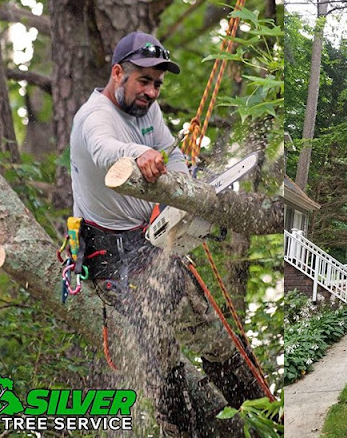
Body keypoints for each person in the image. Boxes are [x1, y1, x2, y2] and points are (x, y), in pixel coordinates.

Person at [69, 31, 262, 431]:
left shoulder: (145, 110)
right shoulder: (95, 116)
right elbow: (106, 151)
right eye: (144, 80)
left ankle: (257, 413)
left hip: (151, 241)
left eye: (157, 84)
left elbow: (171, 152)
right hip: (112, 258)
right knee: (160, 352)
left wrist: (187, 192)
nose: (152, 92)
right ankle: (178, 425)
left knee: (208, 330)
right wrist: (140, 154)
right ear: (118, 72)